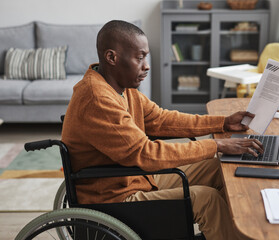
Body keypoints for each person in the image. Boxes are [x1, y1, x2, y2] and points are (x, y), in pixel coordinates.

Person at [62, 20, 263, 240]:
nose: (146, 65)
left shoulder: (120, 88)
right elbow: (146, 154)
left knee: (218, 168)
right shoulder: (97, 98)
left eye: (145, 57)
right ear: (112, 57)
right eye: (139, 58)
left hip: (136, 179)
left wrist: (222, 123)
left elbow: (161, 119)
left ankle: (228, 232)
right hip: (115, 198)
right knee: (207, 199)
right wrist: (216, 144)